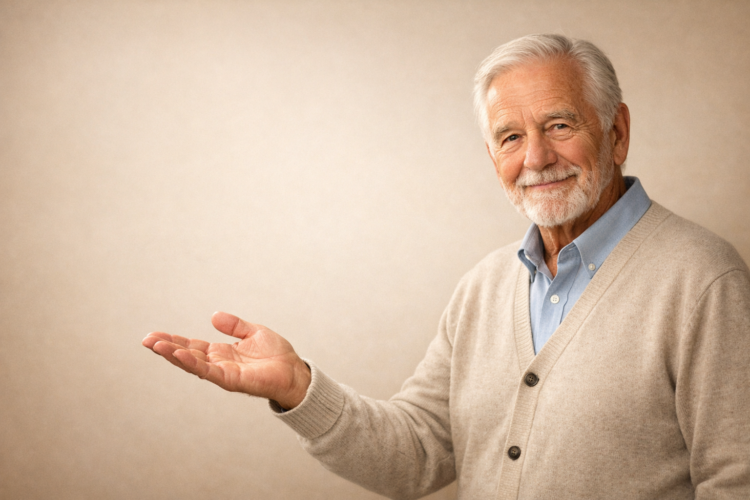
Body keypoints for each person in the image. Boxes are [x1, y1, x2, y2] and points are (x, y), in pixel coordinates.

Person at [142, 34, 750, 499]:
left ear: (615, 133)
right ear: (492, 157)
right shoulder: (483, 288)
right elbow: (417, 452)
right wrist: (299, 388)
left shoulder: (703, 280)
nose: (535, 157)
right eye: (510, 137)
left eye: (559, 126)